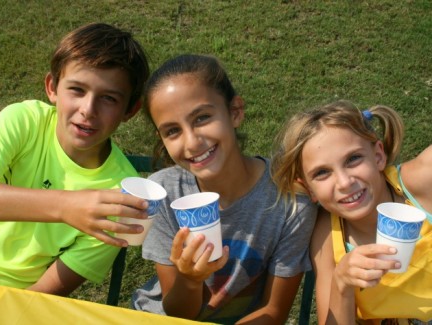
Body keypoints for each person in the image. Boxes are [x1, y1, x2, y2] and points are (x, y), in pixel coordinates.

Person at [0, 23, 151, 296]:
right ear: (52, 87)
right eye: (77, 90)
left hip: (6, 297)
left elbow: (42, 296)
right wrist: (66, 206)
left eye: (108, 98)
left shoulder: (117, 197)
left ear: (131, 109)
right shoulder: (25, 120)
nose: (88, 110)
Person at [132, 54, 317, 324]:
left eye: (202, 118)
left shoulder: (289, 201)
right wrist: (190, 280)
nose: (192, 142)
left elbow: (273, 312)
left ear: (235, 112)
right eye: (172, 131)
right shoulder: (163, 194)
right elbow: (177, 313)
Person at [270, 100, 432, 324]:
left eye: (353, 159)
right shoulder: (327, 235)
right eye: (322, 173)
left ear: (377, 156)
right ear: (309, 189)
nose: (344, 182)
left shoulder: (421, 181)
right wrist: (342, 283)